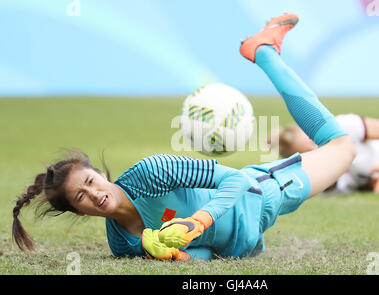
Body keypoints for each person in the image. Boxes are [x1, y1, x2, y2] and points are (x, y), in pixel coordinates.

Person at [12, 13, 356, 261]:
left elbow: (234, 180)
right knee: (339, 147)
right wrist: (180, 258)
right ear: (80, 212)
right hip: (243, 242)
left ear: (100, 174)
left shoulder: (150, 173)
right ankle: (264, 49)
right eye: (81, 197)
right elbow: (203, 252)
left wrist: (197, 221)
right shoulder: (124, 245)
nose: (94, 193)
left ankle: (263, 51)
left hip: (261, 195)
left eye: (89, 181)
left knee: (343, 146)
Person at [268, 114, 379, 195]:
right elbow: (356, 183)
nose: (316, 147)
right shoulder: (324, 179)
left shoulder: (342, 125)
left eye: (312, 140)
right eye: (309, 151)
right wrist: (375, 183)